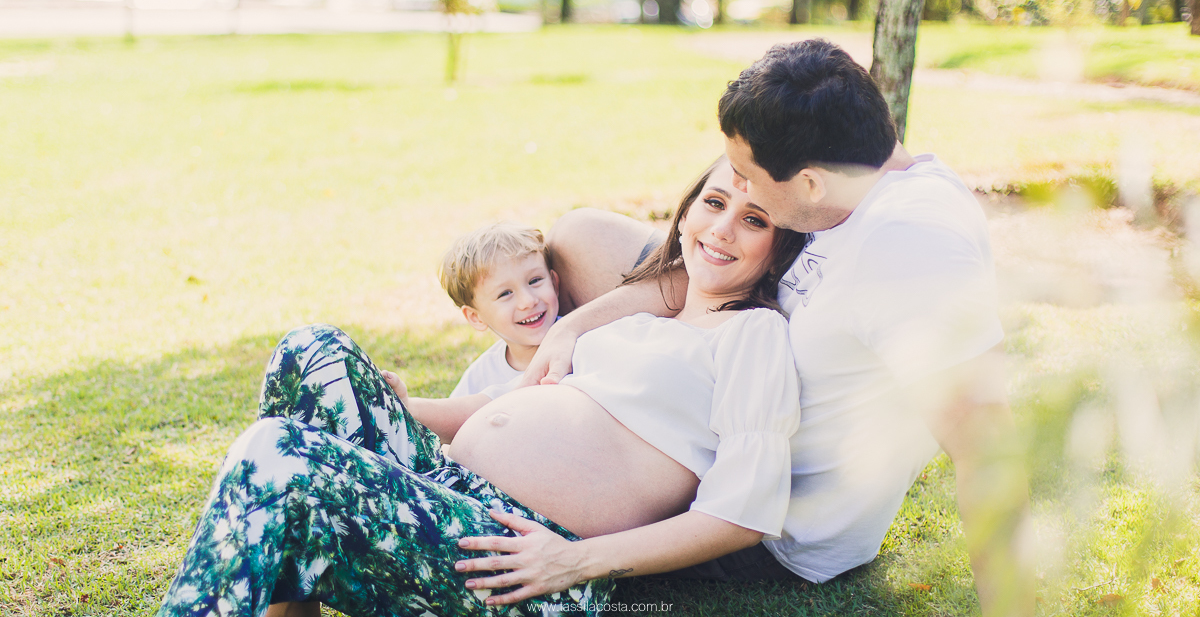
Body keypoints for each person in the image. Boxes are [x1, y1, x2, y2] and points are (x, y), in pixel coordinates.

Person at [156, 158, 809, 617]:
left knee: (276, 452)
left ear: (777, 246)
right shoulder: (640, 313)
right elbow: (522, 408)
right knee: (312, 351)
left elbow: (741, 517)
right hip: (453, 497)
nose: (722, 228)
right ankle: (289, 607)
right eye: (715, 203)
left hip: (526, 557)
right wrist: (401, 411)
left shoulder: (753, 335)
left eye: (754, 220)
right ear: (688, 211)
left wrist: (575, 564)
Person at [523, 39, 1035, 616]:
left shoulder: (912, 253)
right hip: (732, 358)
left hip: (764, 508)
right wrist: (572, 329)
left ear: (810, 184)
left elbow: (988, 449)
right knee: (584, 235)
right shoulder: (858, 181)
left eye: (746, 175)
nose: (738, 186)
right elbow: (699, 267)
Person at [438, 222, 560, 397]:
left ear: (554, 283)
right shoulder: (479, 379)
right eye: (505, 293)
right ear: (476, 317)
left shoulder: (581, 340)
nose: (528, 301)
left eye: (534, 280)